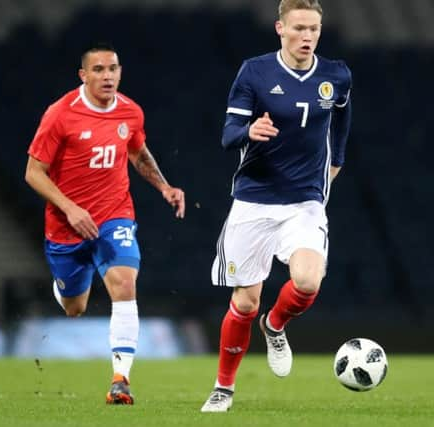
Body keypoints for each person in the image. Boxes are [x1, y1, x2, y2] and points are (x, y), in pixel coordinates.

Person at [201, 0, 352, 412]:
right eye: (300, 28)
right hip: (254, 200)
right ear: (280, 29)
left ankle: (276, 324)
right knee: (245, 302)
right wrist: (250, 129)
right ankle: (223, 387)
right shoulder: (255, 71)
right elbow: (228, 134)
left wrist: (336, 160)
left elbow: (341, 116)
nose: (307, 37)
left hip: (304, 201)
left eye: (314, 29)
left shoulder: (335, 74)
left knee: (307, 280)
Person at [25, 43, 185, 405]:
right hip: (67, 225)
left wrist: (164, 186)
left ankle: (120, 380)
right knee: (74, 308)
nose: (107, 76)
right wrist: (70, 209)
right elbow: (33, 173)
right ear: (83, 75)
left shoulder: (130, 112)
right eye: (98, 69)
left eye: (113, 68)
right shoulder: (60, 114)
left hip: (114, 216)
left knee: (125, 284)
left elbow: (137, 152)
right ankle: (63, 286)